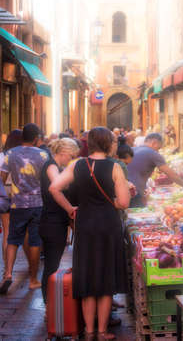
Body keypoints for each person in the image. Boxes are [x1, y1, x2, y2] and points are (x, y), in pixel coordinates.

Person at [49, 127, 130, 340]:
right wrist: (110, 201)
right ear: (108, 144)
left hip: (84, 224)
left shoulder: (77, 165)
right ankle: (102, 331)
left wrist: (69, 208)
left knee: (86, 276)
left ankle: (88, 331)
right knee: (104, 279)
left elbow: (54, 188)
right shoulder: (115, 167)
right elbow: (123, 202)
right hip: (107, 226)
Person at [0, 123, 48, 293]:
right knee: (35, 241)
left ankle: (7, 274)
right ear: (36, 138)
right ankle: (34, 279)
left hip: (17, 203)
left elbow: (2, 176)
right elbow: (48, 179)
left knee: (13, 239)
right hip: (37, 204)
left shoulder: (10, 154)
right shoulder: (43, 155)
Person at [39, 137, 80, 304]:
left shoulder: (54, 166)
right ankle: (48, 305)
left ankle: (49, 304)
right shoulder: (51, 166)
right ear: (63, 153)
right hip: (52, 222)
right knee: (51, 266)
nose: (70, 160)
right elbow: (56, 187)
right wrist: (70, 208)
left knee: (51, 264)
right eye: (71, 156)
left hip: (54, 221)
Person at [127, 133, 183, 207]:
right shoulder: (152, 153)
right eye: (158, 148)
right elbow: (172, 175)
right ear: (154, 143)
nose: (158, 151)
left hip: (123, 190)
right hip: (134, 192)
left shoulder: (132, 149)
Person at [0, 130, 23, 280]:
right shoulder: (19, 156)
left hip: (3, 194)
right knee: (12, 231)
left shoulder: (1, 156)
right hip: (15, 195)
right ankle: (8, 269)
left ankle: (6, 269)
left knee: (6, 230)